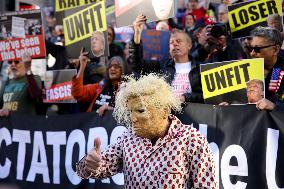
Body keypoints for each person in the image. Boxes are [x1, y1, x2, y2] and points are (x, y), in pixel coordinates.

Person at [76, 74, 218, 188]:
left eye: (140, 110)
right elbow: (96, 167)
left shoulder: (191, 139)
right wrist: (88, 165)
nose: (133, 118)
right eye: (130, 111)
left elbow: (206, 185)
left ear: (164, 110)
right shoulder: (128, 138)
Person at [128, 14, 204, 103]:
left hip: (193, 115)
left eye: (178, 41)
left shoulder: (200, 68)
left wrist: (186, 98)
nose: (175, 44)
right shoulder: (162, 66)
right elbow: (137, 65)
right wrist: (137, 34)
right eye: (171, 42)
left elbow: (207, 97)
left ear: (189, 45)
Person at [72, 49, 125, 116]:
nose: (112, 69)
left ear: (123, 70)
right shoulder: (100, 86)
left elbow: (129, 112)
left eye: (116, 66)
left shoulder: (126, 90)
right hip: (92, 124)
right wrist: (82, 67)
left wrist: (110, 109)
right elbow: (77, 94)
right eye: (110, 67)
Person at [250, 26, 284, 110]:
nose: (252, 53)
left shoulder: (279, 71)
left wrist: (275, 107)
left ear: (275, 49)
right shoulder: (246, 72)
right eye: (251, 48)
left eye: (257, 49)